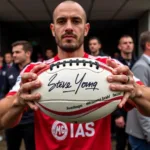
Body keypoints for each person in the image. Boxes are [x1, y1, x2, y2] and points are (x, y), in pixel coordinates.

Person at [0, 1, 150, 150]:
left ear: (86, 29)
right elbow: (2, 119)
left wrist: (135, 91)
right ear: (53, 29)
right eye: (61, 21)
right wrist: (18, 101)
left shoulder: (109, 66)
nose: (69, 27)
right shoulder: (34, 71)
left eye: (76, 21)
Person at [2, 41, 35, 150]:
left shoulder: (37, 70)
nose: (14, 55)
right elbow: (4, 92)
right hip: (12, 120)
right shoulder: (9, 71)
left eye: (17, 52)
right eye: (13, 52)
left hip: (31, 121)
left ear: (28, 53)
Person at [126, 31, 150, 150]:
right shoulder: (141, 66)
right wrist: (149, 134)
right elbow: (139, 101)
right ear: (148, 45)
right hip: (142, 136)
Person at [114, 35, 137, 150]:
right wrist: (118, 115)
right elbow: (111, 90)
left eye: (130, 42)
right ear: (120, 46)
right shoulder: (115, 65)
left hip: (137, 112)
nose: (128, 45)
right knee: (121, 143)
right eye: (125, 43)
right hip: (122, 110)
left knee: (135, 144)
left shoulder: (138, 62)